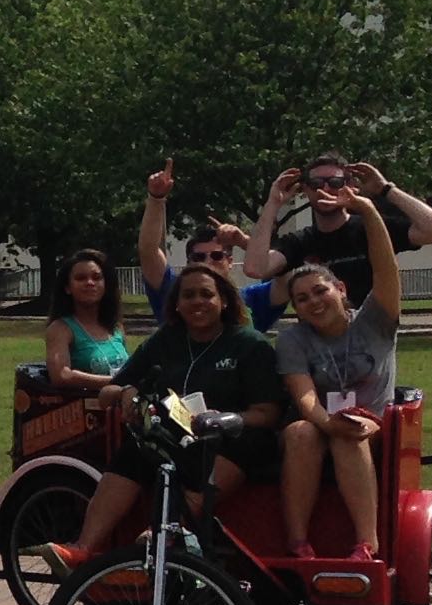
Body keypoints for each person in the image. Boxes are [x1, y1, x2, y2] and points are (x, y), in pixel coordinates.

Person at [25, 264, 286, 573]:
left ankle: (168, 532)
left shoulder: (250, 345)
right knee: (135, 451)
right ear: (176, 304)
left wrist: (225, 419)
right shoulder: (165, 341)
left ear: (224, 301)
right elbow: (113, 388)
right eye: (188, 295)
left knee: (229, 447)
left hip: (234, 439)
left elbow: (268, 413)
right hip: (177, 437)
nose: (197, 302)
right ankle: (81, 550)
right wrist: (127, 392)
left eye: (207, 294)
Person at [275, 185, 405, 562]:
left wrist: (367, 210)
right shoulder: (293, 339)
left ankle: (366, 544)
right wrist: (327, 423)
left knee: (352, 434)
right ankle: (298, 543)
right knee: (300, 431)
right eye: (302, 299)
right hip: (319, 423)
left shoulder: (375, 322)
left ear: (340, 289)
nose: (313, 302)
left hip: (372, 425)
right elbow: (304, 397)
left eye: (320, 292)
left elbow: (386, 267)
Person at [243, 154, 432, 305]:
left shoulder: (373, 228)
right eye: (316, 183)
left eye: (335, 182)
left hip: (373, 338)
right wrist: (273, 203)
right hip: (320, 346)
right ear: (304, 190)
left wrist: (386, 189)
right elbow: (255, 268)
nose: (325, 189)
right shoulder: (299, 242)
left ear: (350, 187)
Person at [134, 159, 288, 332]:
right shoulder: (173, 293)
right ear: (188, 263)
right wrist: (156, 199)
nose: (207, 262)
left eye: (216, 256)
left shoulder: (253, 299)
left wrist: (243, 241)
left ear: (230, 261)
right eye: (198, 257)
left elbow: (288, 276)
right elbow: (148, 251)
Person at [41, 249, 130, 397]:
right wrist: (116, 382)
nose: (90, 283)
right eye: (81, 278)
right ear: (67, 287)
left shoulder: (116, 327)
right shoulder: (60, 329)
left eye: (96, 277)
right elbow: (62, 376)